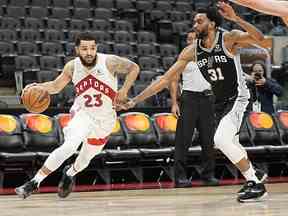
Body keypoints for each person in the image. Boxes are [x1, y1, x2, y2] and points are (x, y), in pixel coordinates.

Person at [122, 2, 268, 202]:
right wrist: (134, 100)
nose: (194, 24)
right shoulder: (192, 51)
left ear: (213, 23)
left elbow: (262, 40)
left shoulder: (229, 39)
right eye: (194, 21)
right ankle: (255, 175)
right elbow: (165, 79)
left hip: (237, 97)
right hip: (217, 102)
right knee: (229, 142)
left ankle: (255, 182)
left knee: (221, 140)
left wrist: (237, 19)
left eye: (199, 21)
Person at [15, 32, 139, 199]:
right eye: (84, 48)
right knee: (69, 146)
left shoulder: (109, 62)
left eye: (92, 48)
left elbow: (134, 68)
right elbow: (55, 86)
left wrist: (123, 90)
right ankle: (34, 183)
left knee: (84, 160)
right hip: (83, 114)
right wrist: (36, 88)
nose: (89, 52)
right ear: (77, 50)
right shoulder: (72, 67)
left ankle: (69, 173)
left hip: (105, 121)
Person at [170, 30, 218, 187]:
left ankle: (208, 175)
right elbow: (174, 80)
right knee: (183, 140)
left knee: (208, 140)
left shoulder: (209, 56)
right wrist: (174, 103)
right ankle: (180, 177)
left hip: (208, 99)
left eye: (194, 38)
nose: (192, 41)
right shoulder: (184, 57)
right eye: (189, 39)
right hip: (189, 99)